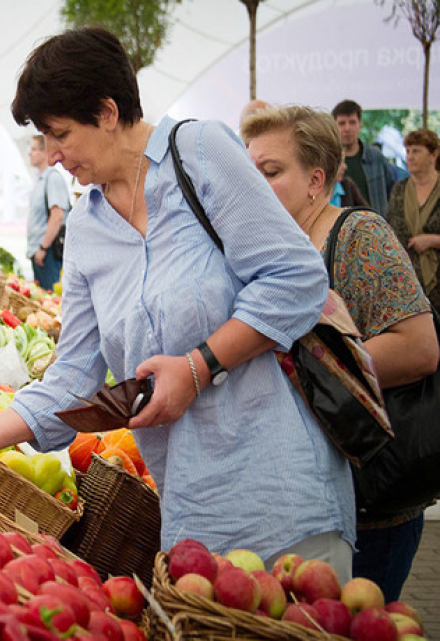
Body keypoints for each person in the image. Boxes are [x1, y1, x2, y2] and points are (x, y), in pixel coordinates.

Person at [0, 27, 357, 576]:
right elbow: (73, 376)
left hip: (284, 498)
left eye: (60, 134)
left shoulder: (200, 154)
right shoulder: (87, 228)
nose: (52, 155)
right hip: (193, 515)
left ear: (107, 112)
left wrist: (198, 366)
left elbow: (295, 278)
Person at [242, 105, 438, 602]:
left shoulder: (358, 235)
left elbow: (419, 347)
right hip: (306, 498)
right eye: (250, 172)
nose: (255, 186)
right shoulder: (272, 247)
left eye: (271, 172)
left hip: (369, 500)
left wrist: (307, 375)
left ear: (316, 180)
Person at [386, 129, 440, 310]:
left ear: (433, 155)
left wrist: (433, 240)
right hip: (407, 282)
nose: (410, 157)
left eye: (416, 151)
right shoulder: (399, 189)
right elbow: (390, 230)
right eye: (408, 151)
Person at [332, 100, 398, 217]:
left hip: (375, 222)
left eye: (352, 122)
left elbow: (393, 191)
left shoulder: (376, 156)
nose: (347, 128)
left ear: (360, 125)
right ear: (334, 126)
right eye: (342, 123)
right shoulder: (329, 160)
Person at [27, 134, 70, 290]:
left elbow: (57, 216)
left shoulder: (53, 179)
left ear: (45, 152)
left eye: (33, 149)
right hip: (39, 252)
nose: (29, 153)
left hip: (48, 253)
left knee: (52, 297)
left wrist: (43, 248)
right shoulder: (40, 180)